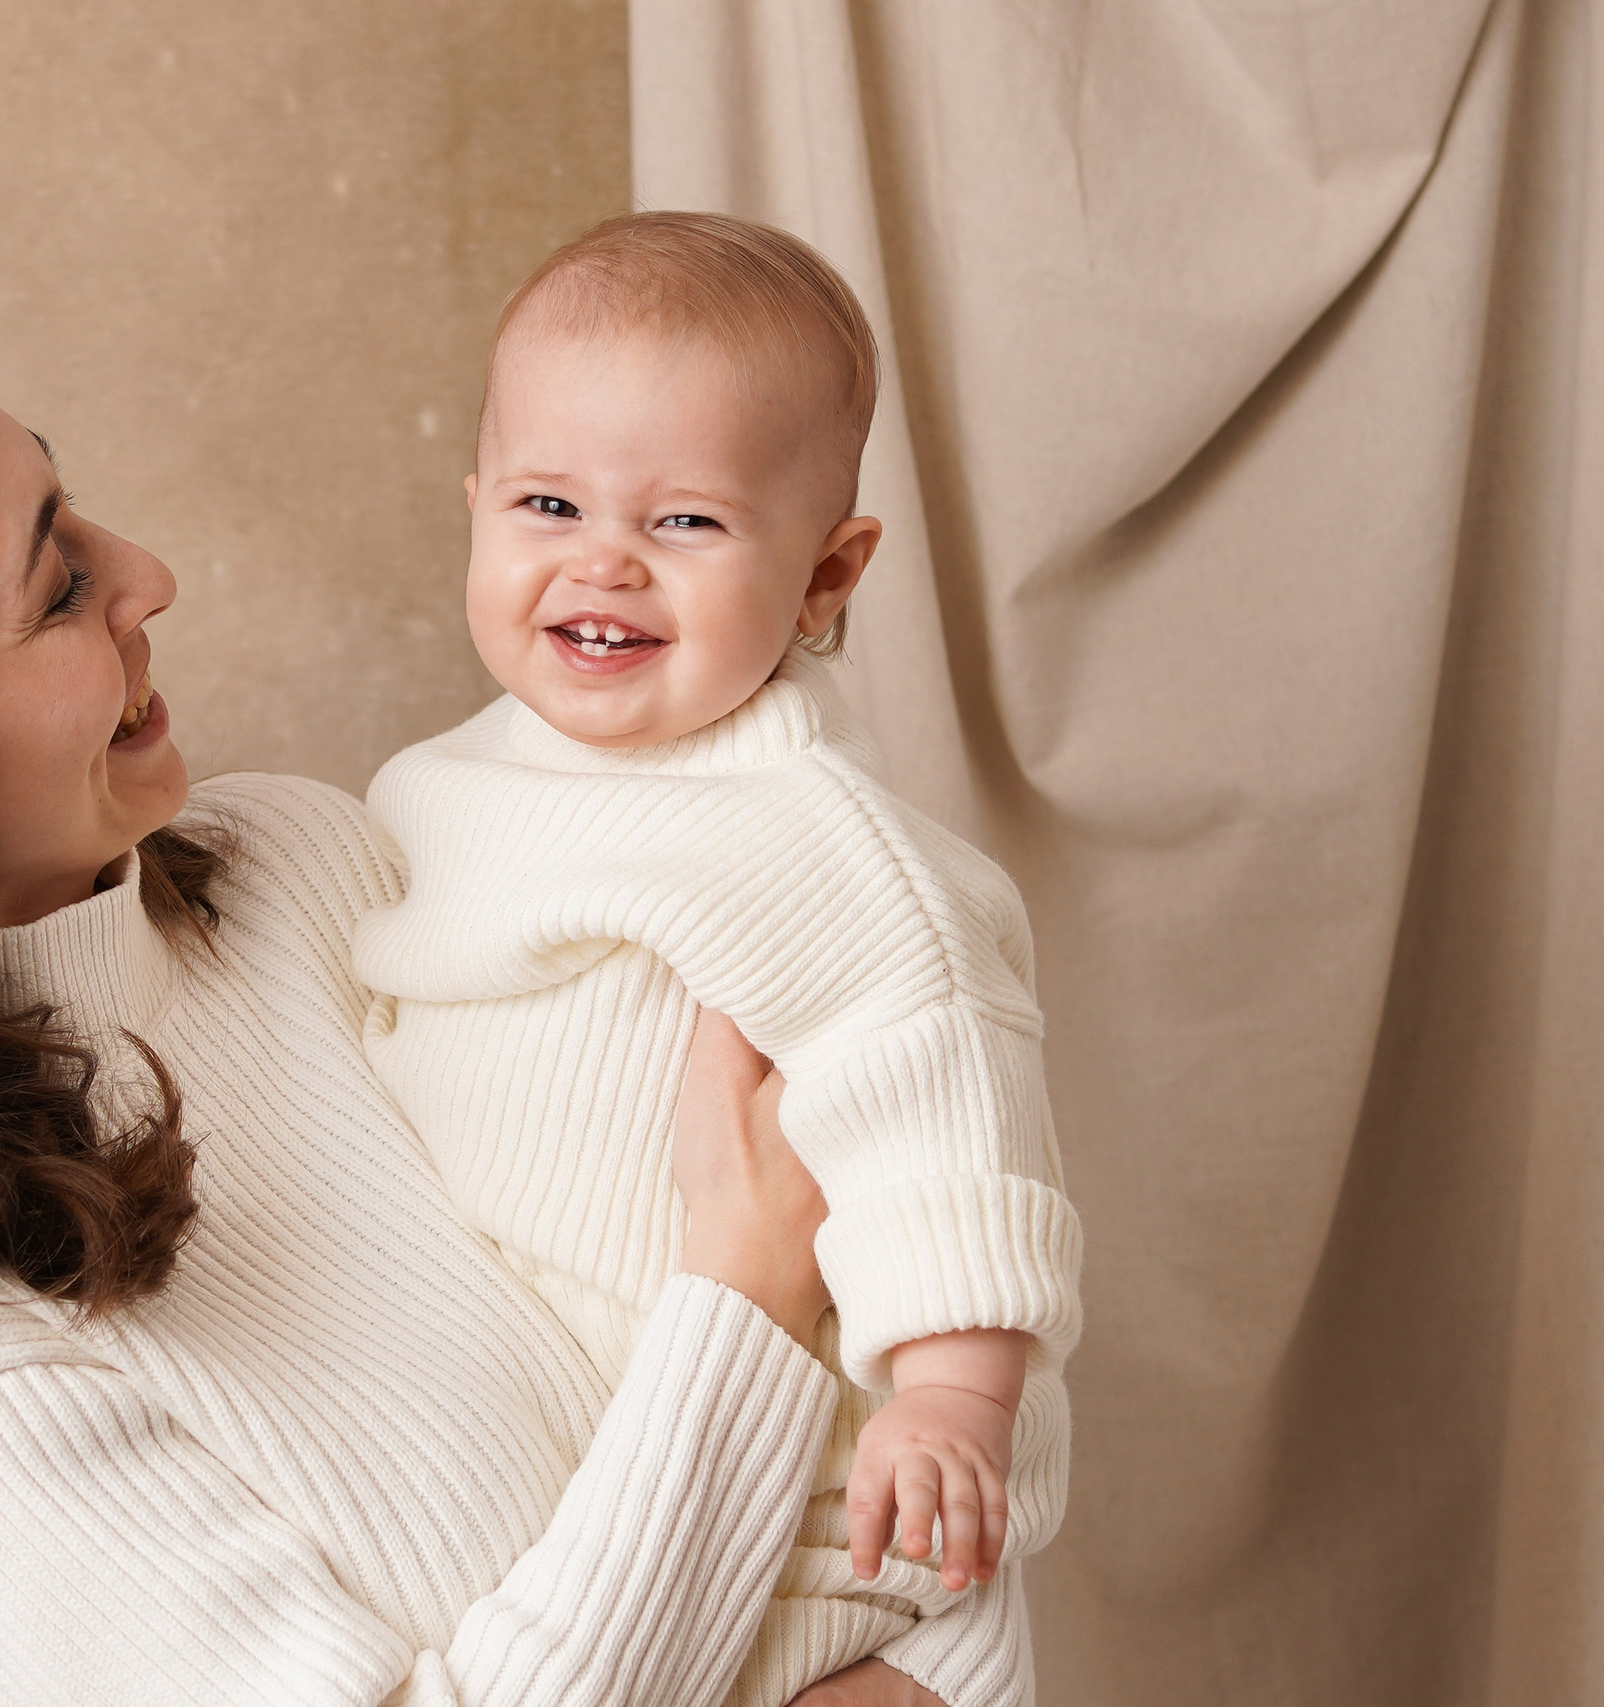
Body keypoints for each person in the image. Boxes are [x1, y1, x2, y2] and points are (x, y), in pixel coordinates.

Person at [0, 287, 1025, 1704]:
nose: (146, 570)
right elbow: (769, 1273)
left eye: (75, 508)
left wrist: (938, 1655)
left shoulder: (306, 873)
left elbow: (919, 1223)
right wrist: (743, 1301)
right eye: (57, 582)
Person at [355, 212, 1079, 1706]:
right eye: (548, 504)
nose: (603, 562)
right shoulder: (432, 791)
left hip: (802, 1505)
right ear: (476, 508)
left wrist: (951, 1393)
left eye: (685, 522)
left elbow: (944, 1101)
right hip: (580, 1479)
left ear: (826, 577)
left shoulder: (814, 838)